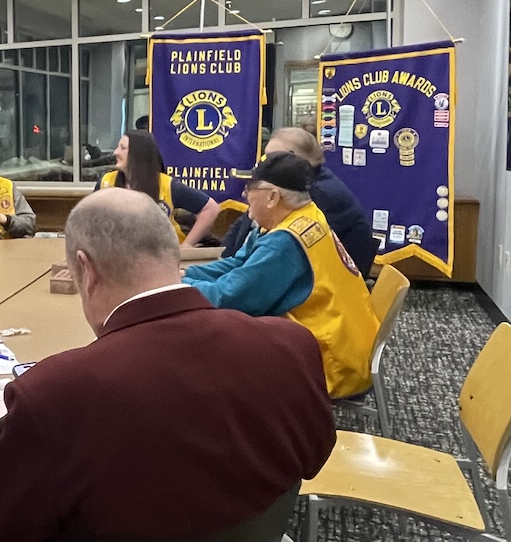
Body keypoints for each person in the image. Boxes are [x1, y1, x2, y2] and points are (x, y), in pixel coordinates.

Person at [0, 187, 336, 542]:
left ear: (85, 270)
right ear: (174, 255)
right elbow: (315, 454)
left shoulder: (53, 394)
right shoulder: (290, 346)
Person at [182, 152, 380, 399]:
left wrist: (176, 287)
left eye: (250, 188)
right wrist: (184, 273)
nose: (243, 195)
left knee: (210, 344)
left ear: (272, 197)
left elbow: (228, 297)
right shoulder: (304, 215)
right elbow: (238, 264)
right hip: (348, 341)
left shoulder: (283, 243)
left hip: (330, 362)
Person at [221, 126, 375, 276]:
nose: (264, 164)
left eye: (270, 157)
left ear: (291, 157)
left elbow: (282, 251)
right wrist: (226, 259)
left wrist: (232, 272)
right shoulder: (300, 183)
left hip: (326, 287)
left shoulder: (318, 194)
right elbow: (245, 221)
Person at [94, 130, 220, 246]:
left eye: (123, 148)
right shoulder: (105, 182)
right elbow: (89, 220)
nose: (116, 152)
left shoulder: (168, 185)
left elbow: (210, 209)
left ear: (138, 154)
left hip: (159, 255)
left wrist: (187, 246)